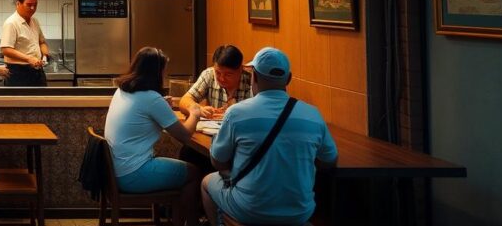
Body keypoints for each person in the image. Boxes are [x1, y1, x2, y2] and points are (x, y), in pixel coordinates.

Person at [202, 47, 338, 226]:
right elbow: (329, 160)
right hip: (299, 212)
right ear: (288, 79)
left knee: (206, 182)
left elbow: (218, 161)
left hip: (250, 209)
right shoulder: (313, 114)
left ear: (254, 77)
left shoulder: (236, 113)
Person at [105, 47, 202, 226]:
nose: (165, 73)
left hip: (116, 171)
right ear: (156, 72)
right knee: (194, 173)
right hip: (133, 174)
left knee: (188, 167)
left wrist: (162, 107)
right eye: (164, 69)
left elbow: (142, 115)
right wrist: (195, 113)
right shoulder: (151, 99)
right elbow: (185, 135)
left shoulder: (123, 90)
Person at [179, 44, 251, 119]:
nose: (222, 78)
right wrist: (199, 109)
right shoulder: (209, 74)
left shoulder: (252, 81)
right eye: (218, 73)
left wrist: (234, 115)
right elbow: (184, 101)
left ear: (240, 69)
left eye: (228, 74)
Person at [0, 0, 50, 87]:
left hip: (37, 72)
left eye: (35, 5)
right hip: (18, 73)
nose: (33, 8)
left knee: (41, 102)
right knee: (20, 102)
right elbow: (5, 49)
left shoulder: (34, 21)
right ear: (18, 3)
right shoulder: (11, 23)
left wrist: (45, 55)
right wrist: (29, 59)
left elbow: (42, 42)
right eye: (29, 5)